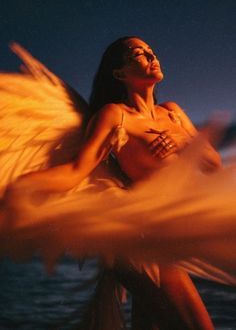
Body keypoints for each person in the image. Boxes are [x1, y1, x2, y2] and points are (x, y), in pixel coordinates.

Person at [3, 36, 221, 329]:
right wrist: (21, 186)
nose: (151, 56)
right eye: (139, 54)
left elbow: (212, 164)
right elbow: (77, 170)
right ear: (119, 73)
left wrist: (184, 140)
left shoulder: (173, 113)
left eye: (151, 51)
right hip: (137, 238)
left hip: (167, 236)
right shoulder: (115, 115)